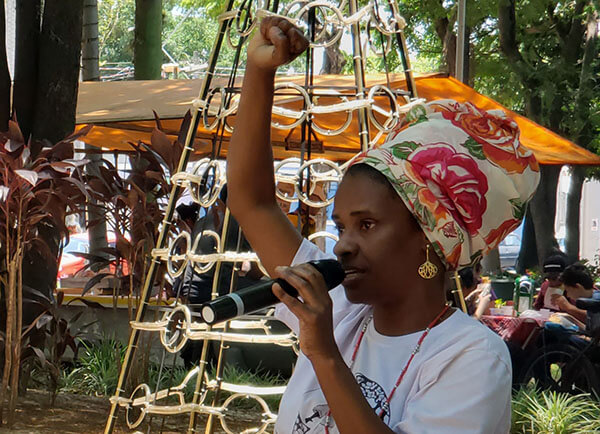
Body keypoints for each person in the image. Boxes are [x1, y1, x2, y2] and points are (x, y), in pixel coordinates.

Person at [226, 17, 540, 433]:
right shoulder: (341, 312)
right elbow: (253, 203)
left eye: (367, 225)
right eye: (341, 228)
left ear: (431, 238)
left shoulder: (470, 355)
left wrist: (324, 354)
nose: (342, 247)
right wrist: (259, 72)